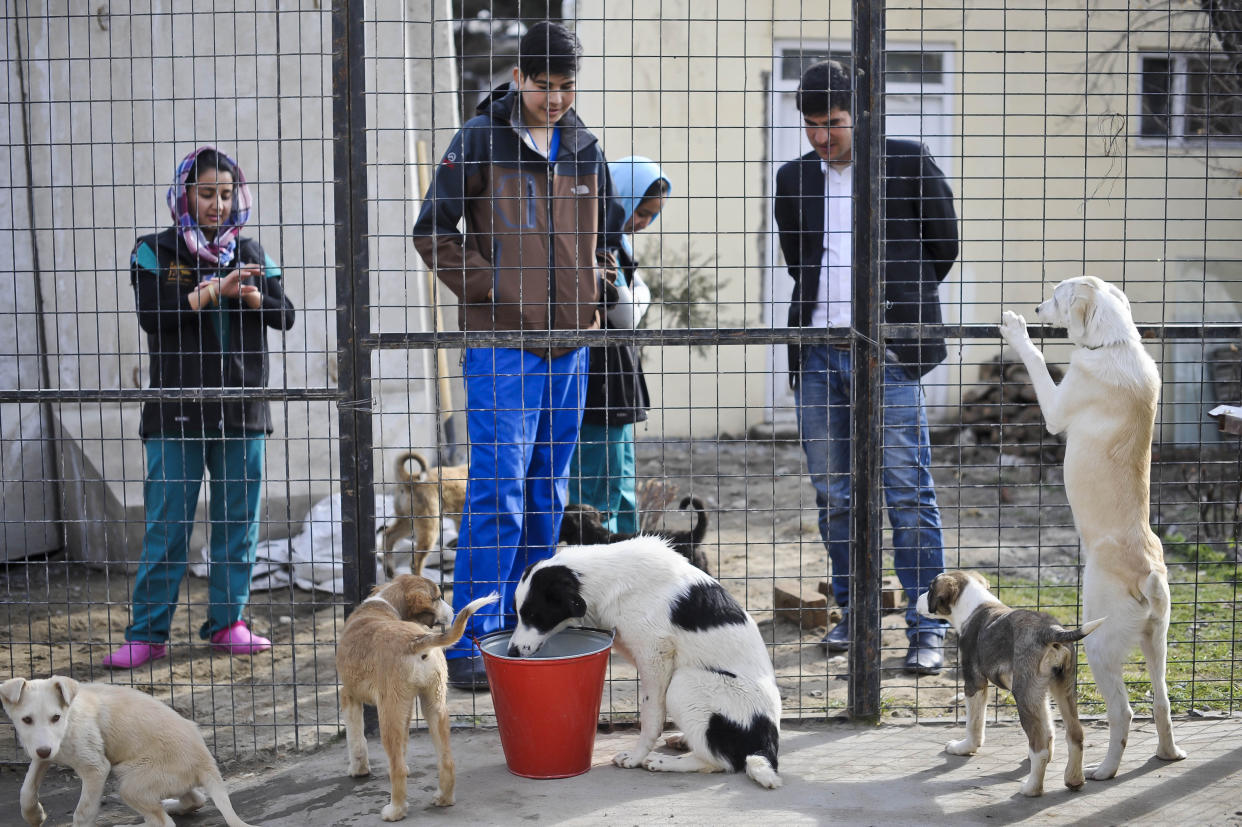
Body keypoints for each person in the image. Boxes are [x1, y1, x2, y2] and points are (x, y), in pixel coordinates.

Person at [412, 21, 612, 690]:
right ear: (519, 76)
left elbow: (605, 238)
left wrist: (599, 282)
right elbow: (433, 232)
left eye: (565, 87)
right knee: (496, 491)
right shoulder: (478, 139)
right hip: (501, 346)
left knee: (545, 495)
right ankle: (469, 644)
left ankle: (525, 634)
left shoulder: (585, 147)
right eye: (542, 85)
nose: (554, 99)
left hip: (570, 349)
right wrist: (495, 287)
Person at [773, 59, 959, 674]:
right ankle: (854, 615)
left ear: (861, 116)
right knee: (834, 494)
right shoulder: (794, 179)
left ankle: (928, 625)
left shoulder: (906, 161)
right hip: (820, 353)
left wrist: (897, 308)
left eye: (833, 124)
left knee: (907, 492)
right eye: (811, 125)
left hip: (891, 354)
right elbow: (801, 260)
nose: (822, 137)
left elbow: (943, 245)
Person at [104, 146, 296, 669]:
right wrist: (213, 291)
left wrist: (254, 296)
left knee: (238, 523)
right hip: (177, 412)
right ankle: (147, 633)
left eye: (226, 195)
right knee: (168, 525)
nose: (217, 205)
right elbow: (153, 315)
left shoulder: (252, 249)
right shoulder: (154, 251)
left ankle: (227, 623)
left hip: (241, 410)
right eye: (206, 193)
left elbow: (286, 314)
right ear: (185, 195)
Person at [568, 156, 669, 534]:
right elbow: (625, 315)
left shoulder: (617, 246)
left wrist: (636, 295)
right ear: (618, 198)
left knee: (621, 488)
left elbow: (629, 305)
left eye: (651, 216)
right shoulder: (597, 247)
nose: (642, 222)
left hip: (619, 386)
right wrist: (641, 294)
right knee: (599, 499)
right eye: (640, 211)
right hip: (599, 386)